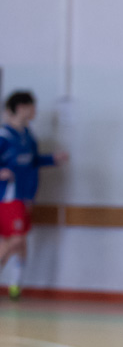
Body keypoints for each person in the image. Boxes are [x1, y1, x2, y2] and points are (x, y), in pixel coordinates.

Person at [0, 91, 68, 299]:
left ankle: (15, 284)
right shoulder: (4, 136)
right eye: (32, 106)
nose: (35, 111)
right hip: (9, 196)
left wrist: (53, 159)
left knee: (17, 241)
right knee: (16, 239)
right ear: (21, 108)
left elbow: (33, 161)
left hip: (26, 195)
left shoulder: (28, 135)